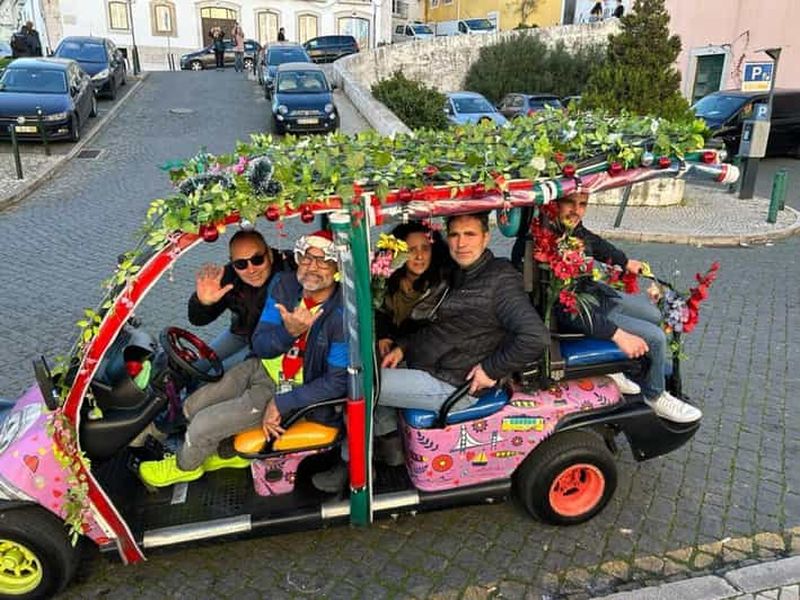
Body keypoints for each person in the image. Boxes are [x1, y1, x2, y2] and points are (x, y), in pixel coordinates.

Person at [312, 212, 550, 493]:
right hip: (428, 365)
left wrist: (491, 369)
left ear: (486, 237)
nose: (461, 243)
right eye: (455, 235)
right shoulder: (459, 272)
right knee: (366, 366)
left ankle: (351, 466)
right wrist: (403, 347)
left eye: (470, 234)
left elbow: (535, 336)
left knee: (355, 383)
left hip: (452, 383)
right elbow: (440, 328)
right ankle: (390, 450)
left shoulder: (500, 279)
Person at [139, 231, 347, 487]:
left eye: (324, 261)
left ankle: (186, 467)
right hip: (261, 366)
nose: (312, 267)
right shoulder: (284, 285)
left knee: (202, 425)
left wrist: (282, 402)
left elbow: (337, 382)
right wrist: (288, 332)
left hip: (291, 389)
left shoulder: (341, 316)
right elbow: (260, 343)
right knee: (193, 404)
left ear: (338, 267)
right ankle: (222, 452)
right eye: (307, 258)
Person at [551, 192, 702, 424]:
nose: (577, 210)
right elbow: (563, 308)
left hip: (595, 296)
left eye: (583, 204)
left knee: (653, 314)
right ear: (554, 203)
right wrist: (617, 334)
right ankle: (655, 395)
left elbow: (596, 243)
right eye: (570, 203)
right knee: (656, 337)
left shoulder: (572, 230)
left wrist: (624, 261)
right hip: (581, 311)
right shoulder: (546, 241)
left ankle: (624, 369)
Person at [187, 229, 291, 369]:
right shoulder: (229, 277)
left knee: (219, 374)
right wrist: (203, 303)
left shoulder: (290, 270)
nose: (251, 270)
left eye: (257, 260)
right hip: (240, 333)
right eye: (241, 264)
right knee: (198, 366)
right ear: (233, 263)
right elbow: (197, 320)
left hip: (271, 339)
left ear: (270, 255)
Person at [375, 222, 451, 360]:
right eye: (411, 250)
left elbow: (434, 333)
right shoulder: (382, 282)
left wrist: (401, 348)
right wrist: (383, 335)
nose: (419, 256)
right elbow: (377, 314)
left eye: (425, 249)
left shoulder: (442, 288)